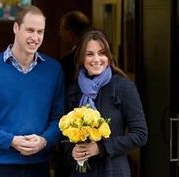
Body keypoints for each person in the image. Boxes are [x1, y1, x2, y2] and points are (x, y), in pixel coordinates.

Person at [0, 5, 64, 177]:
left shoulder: (53, 70)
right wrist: (11, 141)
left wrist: (45, 140)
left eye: (40, 32)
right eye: (30, 30)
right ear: (16, 28)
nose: (35, 37)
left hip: (39, 166)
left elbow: (60, 117)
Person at [62, 29, 148, 177]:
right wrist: (72, 151)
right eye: (90, 54)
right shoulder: (73, 90)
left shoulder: (123, 87)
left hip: (114, 171)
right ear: (82, 58)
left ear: (108, 56)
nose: (96, 59)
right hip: (81, 172)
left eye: (101, 53)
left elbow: (140, 135)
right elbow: (63, 138)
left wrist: (101, 148)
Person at [59, 10, 91, 87]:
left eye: (61, 30)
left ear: (70, 34)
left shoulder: (67, 63)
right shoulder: (102, 57)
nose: (59, 34)